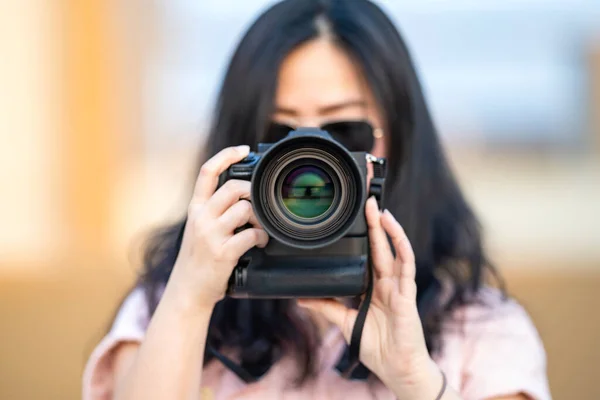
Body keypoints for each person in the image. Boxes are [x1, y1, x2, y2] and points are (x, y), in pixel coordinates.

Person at [83, 1, 552, 399]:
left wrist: (417, 381)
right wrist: (189, 299)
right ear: (235, 150)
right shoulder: (168, 306)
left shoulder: (484, 331)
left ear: (400, 141)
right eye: (277, 134)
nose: (310, 166)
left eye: (346, 132)